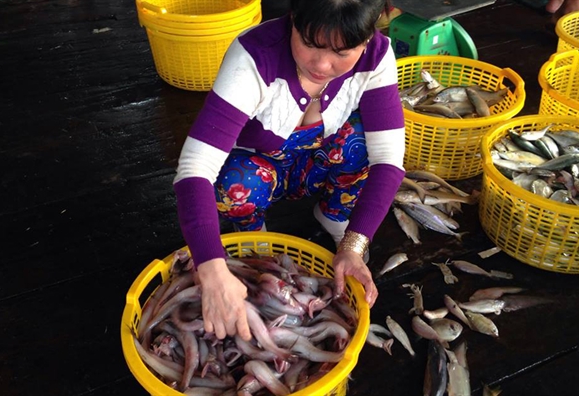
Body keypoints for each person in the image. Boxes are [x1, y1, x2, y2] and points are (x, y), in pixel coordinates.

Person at [173, 0, 405, 342]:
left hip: (320, 156)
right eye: (310, 43)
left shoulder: (378, 56)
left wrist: (355, 245)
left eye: (343, 51)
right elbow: (194, 168)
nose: (323, 65)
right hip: (259, 162)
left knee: (365, 141)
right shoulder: (253, 56)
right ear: (293, 19)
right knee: (235, 186)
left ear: (368, 38)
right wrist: (211, 267)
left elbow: (389, 159)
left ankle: (334, 214)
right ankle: (255, 234)